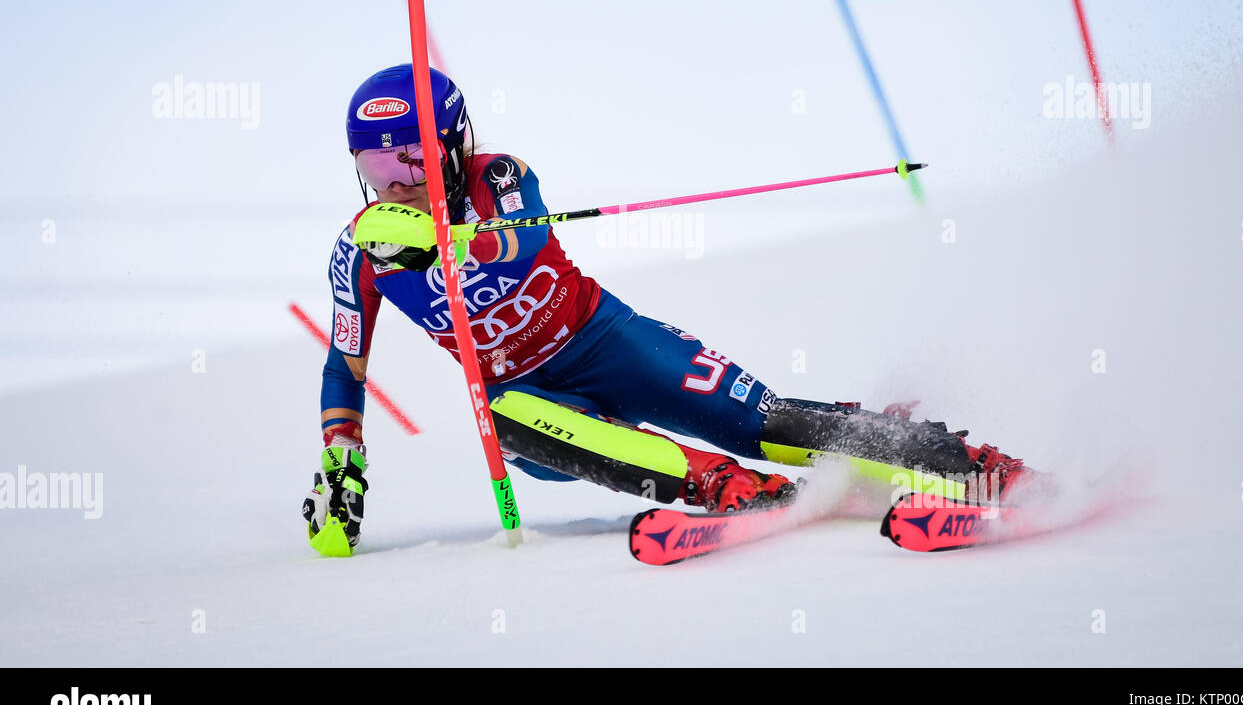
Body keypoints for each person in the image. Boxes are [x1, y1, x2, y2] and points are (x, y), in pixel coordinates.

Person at [303, 64, 1030, 553]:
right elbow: (346, 365)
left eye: (415, 159)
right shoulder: (357, 254)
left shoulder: (502, 177)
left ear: (455, 145)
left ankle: (964, 462)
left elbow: (516, 253)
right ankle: (735, 491)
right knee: (504, 416)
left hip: (608, 342)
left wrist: (437, 244)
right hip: (535, 406)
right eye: (377, 164)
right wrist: (343, 453)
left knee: (762, 420)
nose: (398, 181)